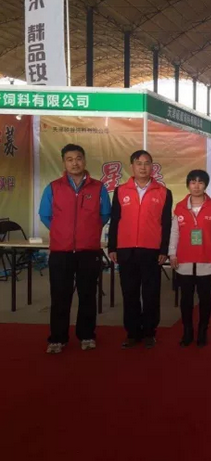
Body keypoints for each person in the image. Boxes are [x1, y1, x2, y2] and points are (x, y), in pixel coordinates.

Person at [39, 144, 111, 354]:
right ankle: (57, 338)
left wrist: (89, 231)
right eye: (69, 159)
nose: (74, 163)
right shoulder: (53, 187)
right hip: (61, 252)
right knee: (60, 296)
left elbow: (105, 214)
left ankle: (87, 335)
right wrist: (62, 233)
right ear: (64, 162)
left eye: (78, 158)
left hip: (88, 251)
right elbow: (45, 215)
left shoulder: (98, 188)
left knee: (87, 295)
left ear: (84, 160)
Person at [109, 150, 173, 349]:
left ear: (152, 166)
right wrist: (112, 247)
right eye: (139, 163)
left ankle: (149, 332)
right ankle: (132, 332)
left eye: (147, 163)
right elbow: (115, 221)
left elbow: (166, 224)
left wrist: (164, 249)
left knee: (151, 293)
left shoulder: (163, 192)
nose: (143, 167)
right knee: (129, 293)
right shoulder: (121, 191)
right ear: (132, 166)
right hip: (126, 250)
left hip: (151, 250)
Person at [169, 170, 211, 348]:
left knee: (205, 298)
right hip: (184, 260)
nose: (196, 186)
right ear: (188, 185)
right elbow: (174, 232)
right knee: (186, 298)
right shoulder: (180, 207)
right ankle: (187, 331)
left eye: (200, 182)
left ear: (205, 185)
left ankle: (202, 331)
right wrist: (172, 253)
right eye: (193, 182)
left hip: (206, 259)